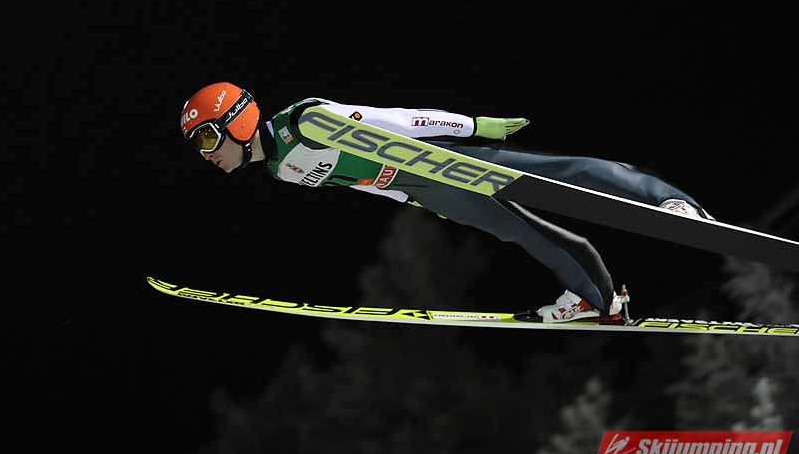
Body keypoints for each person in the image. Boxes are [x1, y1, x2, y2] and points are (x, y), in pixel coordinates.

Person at [178, 82, 715, 323]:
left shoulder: (305, 121)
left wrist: (474, 127)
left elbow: (396, 120)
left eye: (206, 137)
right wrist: (414, 200)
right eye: (198, 145)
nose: (206, 153)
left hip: (436, 158)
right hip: (421, 187)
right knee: (519, 231)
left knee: (561, 173)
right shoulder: (280, 168)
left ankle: (672, 203)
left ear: (237, 121)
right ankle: (598, 301)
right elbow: (355, 180)